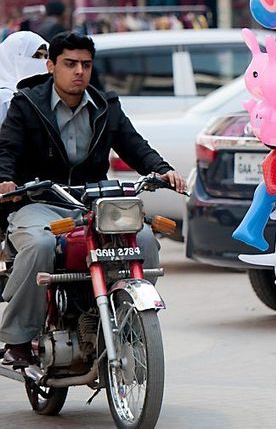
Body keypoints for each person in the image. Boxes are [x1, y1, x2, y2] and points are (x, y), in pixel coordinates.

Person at [0, 32, 186, 368]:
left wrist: (162, 170)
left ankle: (124, 315)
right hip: (38, 201)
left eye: (85, 64)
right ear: (51, 66)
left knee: (145, 240)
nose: (79, 72)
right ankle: (18, 338)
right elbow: (7, 149)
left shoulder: (106, 105)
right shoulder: (26, 104)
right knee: (41, 245)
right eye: (70, 64)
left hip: (91, 205)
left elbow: (135, 146)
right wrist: (5, 180)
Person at [0, 31, 49, 126]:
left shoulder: (44, 95)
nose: (43, 62)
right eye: (36, 56)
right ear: (13, 57)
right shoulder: (4, 98)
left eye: (46, 56)